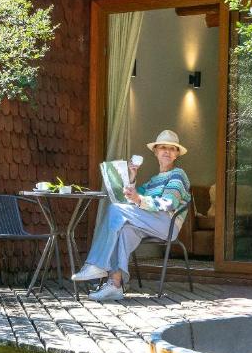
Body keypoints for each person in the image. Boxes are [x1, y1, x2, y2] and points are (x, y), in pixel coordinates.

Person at [71, 129, 191, 302]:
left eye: (172, 148)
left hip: (168, 224)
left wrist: (139, 199)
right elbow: (131, 201)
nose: (167, 151)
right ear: (155, 152)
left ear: (176, 154)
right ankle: (115, 284)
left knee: (116, 210)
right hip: (149, 224)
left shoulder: (178, 174)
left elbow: (169, 203)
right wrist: (132, 179)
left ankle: (96, 264)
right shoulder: (153, 180)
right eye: (163, 147)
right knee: (124, 230)